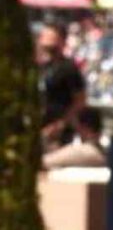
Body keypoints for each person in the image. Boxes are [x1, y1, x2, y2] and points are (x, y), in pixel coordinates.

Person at [35, 22, 86, 151]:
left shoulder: (68, 68)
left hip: (58, 133)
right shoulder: (41, 67)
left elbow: (80, 101)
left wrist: (60, 124)